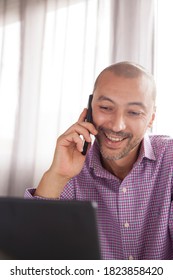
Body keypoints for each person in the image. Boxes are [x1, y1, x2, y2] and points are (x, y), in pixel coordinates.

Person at [25, 61, 173, 260]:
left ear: (151, 119)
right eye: (105, 107)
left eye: (134, 112)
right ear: (89, 109)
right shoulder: (72, 170)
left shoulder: (169, 160)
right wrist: (58, 175)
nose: (117, 125)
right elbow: (32, 255)